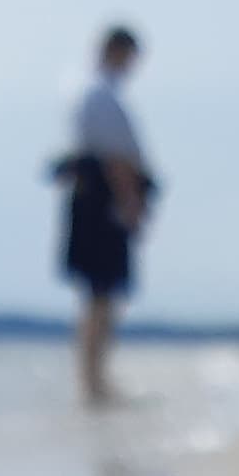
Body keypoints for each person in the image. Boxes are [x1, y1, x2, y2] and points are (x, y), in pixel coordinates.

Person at [57, 25, 151, 407]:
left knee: (99, 295)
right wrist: (131, 205)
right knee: (101, 294)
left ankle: (94, 380)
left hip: (93, 197)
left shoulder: (87, 89)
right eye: (130, 57)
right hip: (102, 200)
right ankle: (94, 383)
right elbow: (115, 159)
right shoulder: (99, 93)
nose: (132, 66)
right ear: (115, 51)